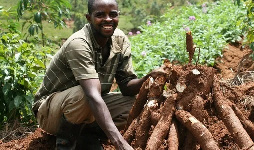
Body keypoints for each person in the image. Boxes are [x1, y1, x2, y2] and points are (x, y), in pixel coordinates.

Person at [32, 0, 165, 149]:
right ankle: (65, 144)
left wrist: (148, 78)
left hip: (88, 106)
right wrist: (121, 144)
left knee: (137, 105)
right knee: (84, 94)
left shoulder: (120, 40)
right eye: (100, 15)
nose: (108, 19)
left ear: (118, 16)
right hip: (51, 112)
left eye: (113, 14)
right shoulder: (79, 43)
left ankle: (86, 137)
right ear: (89, 18)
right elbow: (92, 96)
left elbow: (126, 86)